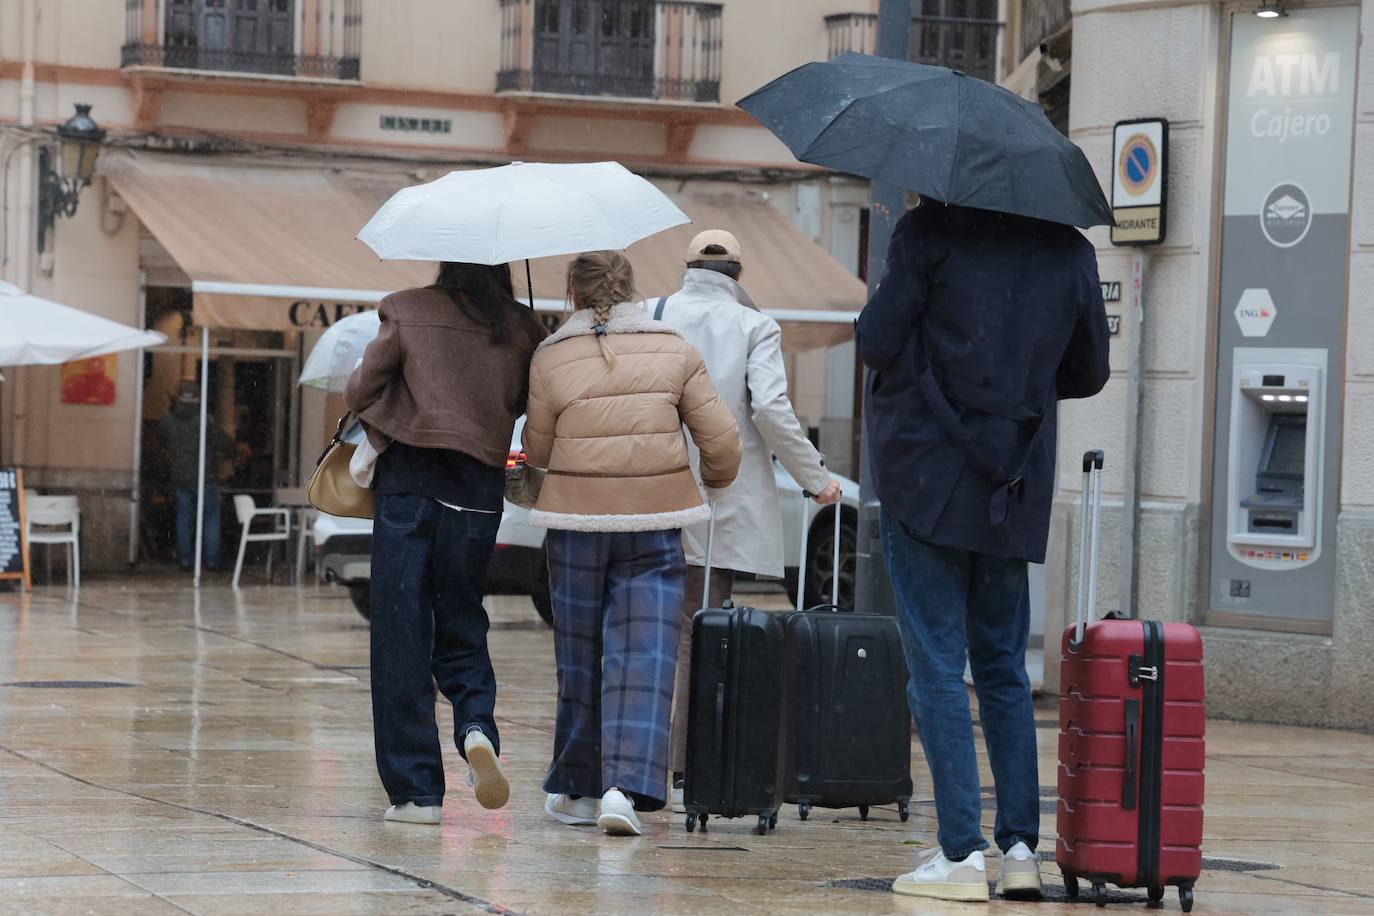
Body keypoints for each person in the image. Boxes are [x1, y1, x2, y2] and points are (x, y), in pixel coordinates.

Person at [857, 202, 1109, 903]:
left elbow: (877, 343)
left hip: (926, 482)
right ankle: (1022, 849)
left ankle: (962, 854)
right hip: (1012, 483)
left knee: (937, 667)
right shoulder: (1068, 249)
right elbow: (1088, 372)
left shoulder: (930, 232)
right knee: (1002, 667)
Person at [523, 250, 741, 837]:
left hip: (576, 529)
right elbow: (722, 442)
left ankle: (576, 787)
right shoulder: (674, 347)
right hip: (654, 524)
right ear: (631, 290)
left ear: (573, 294)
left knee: (581, 657)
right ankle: (623, 791)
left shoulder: (549, 356)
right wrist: (714, 484)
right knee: (643, 658)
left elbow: (538, 453)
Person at [345, 261, 545, 826]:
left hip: (409, 487)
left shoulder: (406, 308)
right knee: (461, 617)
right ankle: (477, 724)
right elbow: (530, 403)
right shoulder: (522, 325)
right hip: (478, 495)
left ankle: (417, 794)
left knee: (401, 629)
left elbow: (361, 389)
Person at [651, 230, 841, 810]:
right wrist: (817, 479)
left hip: (649, 488)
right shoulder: (755, 326)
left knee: (649, 632)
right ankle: (683, 767)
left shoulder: (653, 313)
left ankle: (636, 764)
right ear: (738, 274)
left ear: (687, 269)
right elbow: (770, 409)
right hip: (718, 498)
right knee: (695, 632)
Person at [159, 380, 237, 571]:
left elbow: (164, 444)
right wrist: (233, 450)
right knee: (211, 517)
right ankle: (212, 561)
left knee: (184, 518)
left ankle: (185, 560)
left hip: (180, 477)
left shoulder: (167, 421)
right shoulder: (205, 420)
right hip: (205, 477)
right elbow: (225, 443)